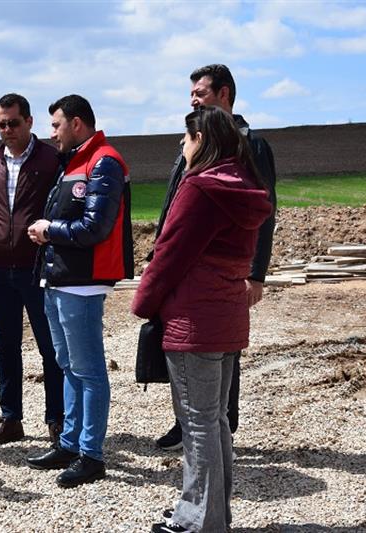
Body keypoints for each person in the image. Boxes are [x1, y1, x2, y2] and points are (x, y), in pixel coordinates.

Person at [133, 106, 272, 532]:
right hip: (226, 317)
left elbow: (170, 253)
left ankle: (199, 522)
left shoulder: (199, 188)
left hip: (193, 320)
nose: (182, 143)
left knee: (198, 423)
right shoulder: (245, 186)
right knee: (215, 421)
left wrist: (143, 302)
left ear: (203, 140)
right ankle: (211, 515)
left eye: (187, 137)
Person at [155, 64, 277, 451]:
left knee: (220, 346)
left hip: (224, 268)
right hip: (184, 266)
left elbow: (263, 212)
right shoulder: (194, 141)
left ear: (225, 94)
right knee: (185, 346)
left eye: (201, 93)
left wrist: (255, 274)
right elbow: (174, 203)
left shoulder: (249, 145)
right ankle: (188, 421)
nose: (193, 100)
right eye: (191, 94)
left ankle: (221, 424)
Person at [25, 94, 133, 488]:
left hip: (83, 284)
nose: (51, 133)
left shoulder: (104, 162)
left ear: (76, 123)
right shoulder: (75, 162)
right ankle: (70, 443)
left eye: (56, 125)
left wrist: (48, 230)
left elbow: (95, 228)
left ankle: (91, 455)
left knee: (88, 370)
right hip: (61, 280)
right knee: (68, 365)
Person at [0, 93, 64, 446]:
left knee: (50, 347)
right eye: (0, 124)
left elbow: (61, 207)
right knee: (6, 345)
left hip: (38, 266)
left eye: (12, 123)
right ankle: (10, 419)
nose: (6, 129)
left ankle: (57, 419)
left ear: (28, 122)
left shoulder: (51, 159)